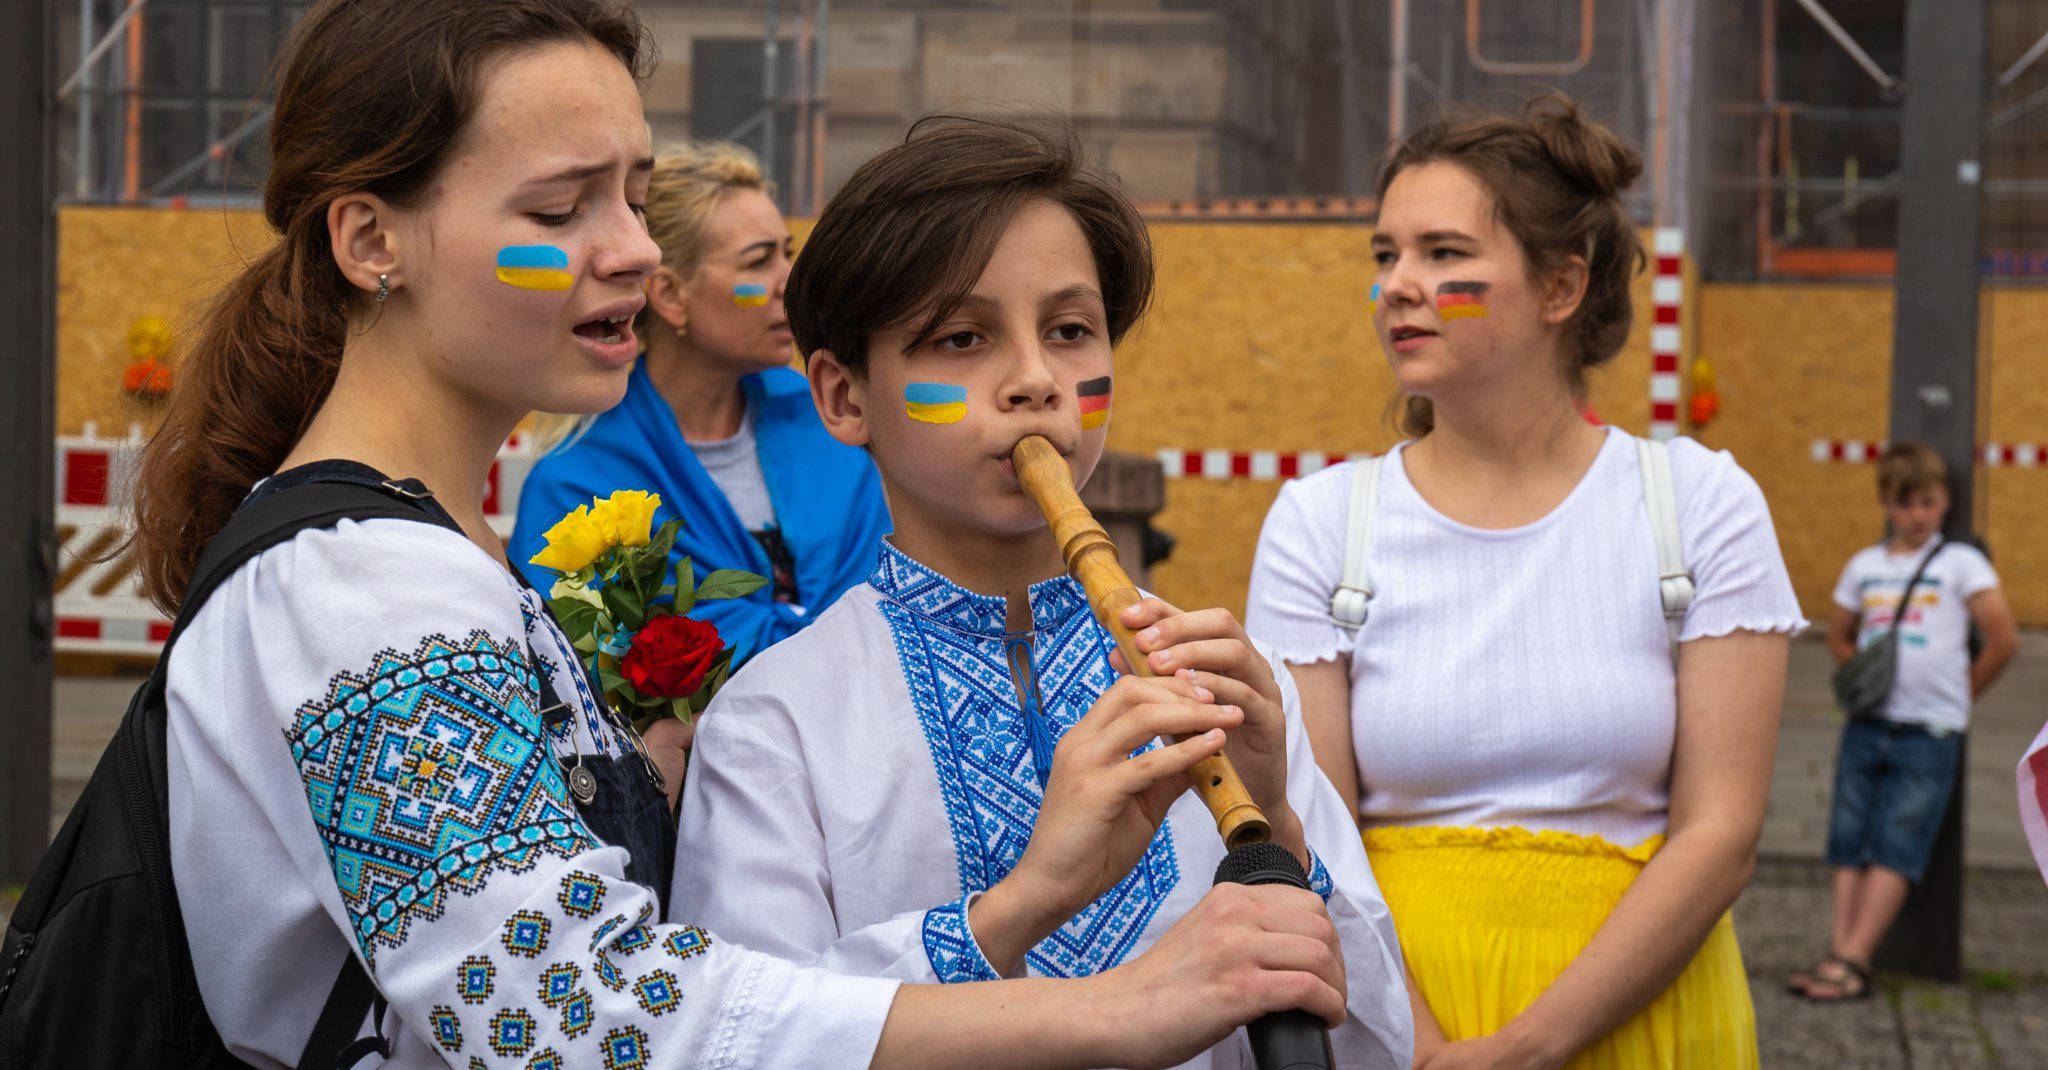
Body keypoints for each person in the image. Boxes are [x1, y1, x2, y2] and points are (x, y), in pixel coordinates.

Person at [125, 3, 1354, 1066]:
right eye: (558, 208)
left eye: (630, 191)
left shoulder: (434, 562)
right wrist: (1107, 1000)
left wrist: (1274, 841)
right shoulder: (361, 589)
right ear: (370, 239)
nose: (632, 249)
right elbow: (568, 1022)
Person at [672, 115, 1412, 1070]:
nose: (1036, 381)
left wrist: (1278, 834)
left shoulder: (1227, 690)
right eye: (963, 337)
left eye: (1070, 331)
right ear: (843, 397)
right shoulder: (775, 724)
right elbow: (742, 1039)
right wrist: (1016, 909)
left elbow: (1377, 1049)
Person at [1244, 95, 1806, 1069]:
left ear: (1559, 287)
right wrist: (1423, 1049)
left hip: (1635, 1016)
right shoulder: (1321, 523)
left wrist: (1529, 1046)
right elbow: (1312, 832)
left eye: (1443, 254)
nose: (1397, 286)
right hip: (1391, 1014)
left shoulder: (1696, 502)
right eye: (1384, 256)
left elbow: (1721, 831)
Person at [510, 141, 891, 669]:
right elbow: (579, 678)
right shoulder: (580, 490)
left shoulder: (837, 426)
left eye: (788, 254)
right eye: (759, 261)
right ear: (669, 296)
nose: (790, 282)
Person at [1789, 441, 2018, 1001]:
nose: (1918, 515)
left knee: (1897, 842)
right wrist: (1863, 676)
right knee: (1849, 839)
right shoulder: (1864, 568)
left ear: (1944, 504)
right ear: (1886, 504)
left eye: (1929, 503)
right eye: (1906, 504)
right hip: (1869, 724)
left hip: (1930, 731)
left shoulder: (1961, 564)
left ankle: (1854, 958)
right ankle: (1836, 948)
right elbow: (1841, 636)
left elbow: (2003, 639)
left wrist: (1961, 696)